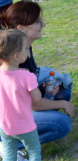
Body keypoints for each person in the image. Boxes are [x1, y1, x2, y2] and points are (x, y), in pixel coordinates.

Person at [0, 2, 74, 159]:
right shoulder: (17, 59)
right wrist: (63, 105)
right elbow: (34, 104)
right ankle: (14, 145)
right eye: (38, 21)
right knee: (62, 124)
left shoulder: (21, 48)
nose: (44, 24)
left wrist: (44, 88)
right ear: (21, 28)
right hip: (8, 118)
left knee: (63, 93)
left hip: (14, 109)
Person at [0, 30, 42, 161]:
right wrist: (33, 82)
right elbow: (37, 98)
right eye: (26, 48)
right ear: (16, 56)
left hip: (5, 126)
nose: (28, 51)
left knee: (9, 154)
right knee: (34, 151)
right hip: (25, 126)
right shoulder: (27, 77)